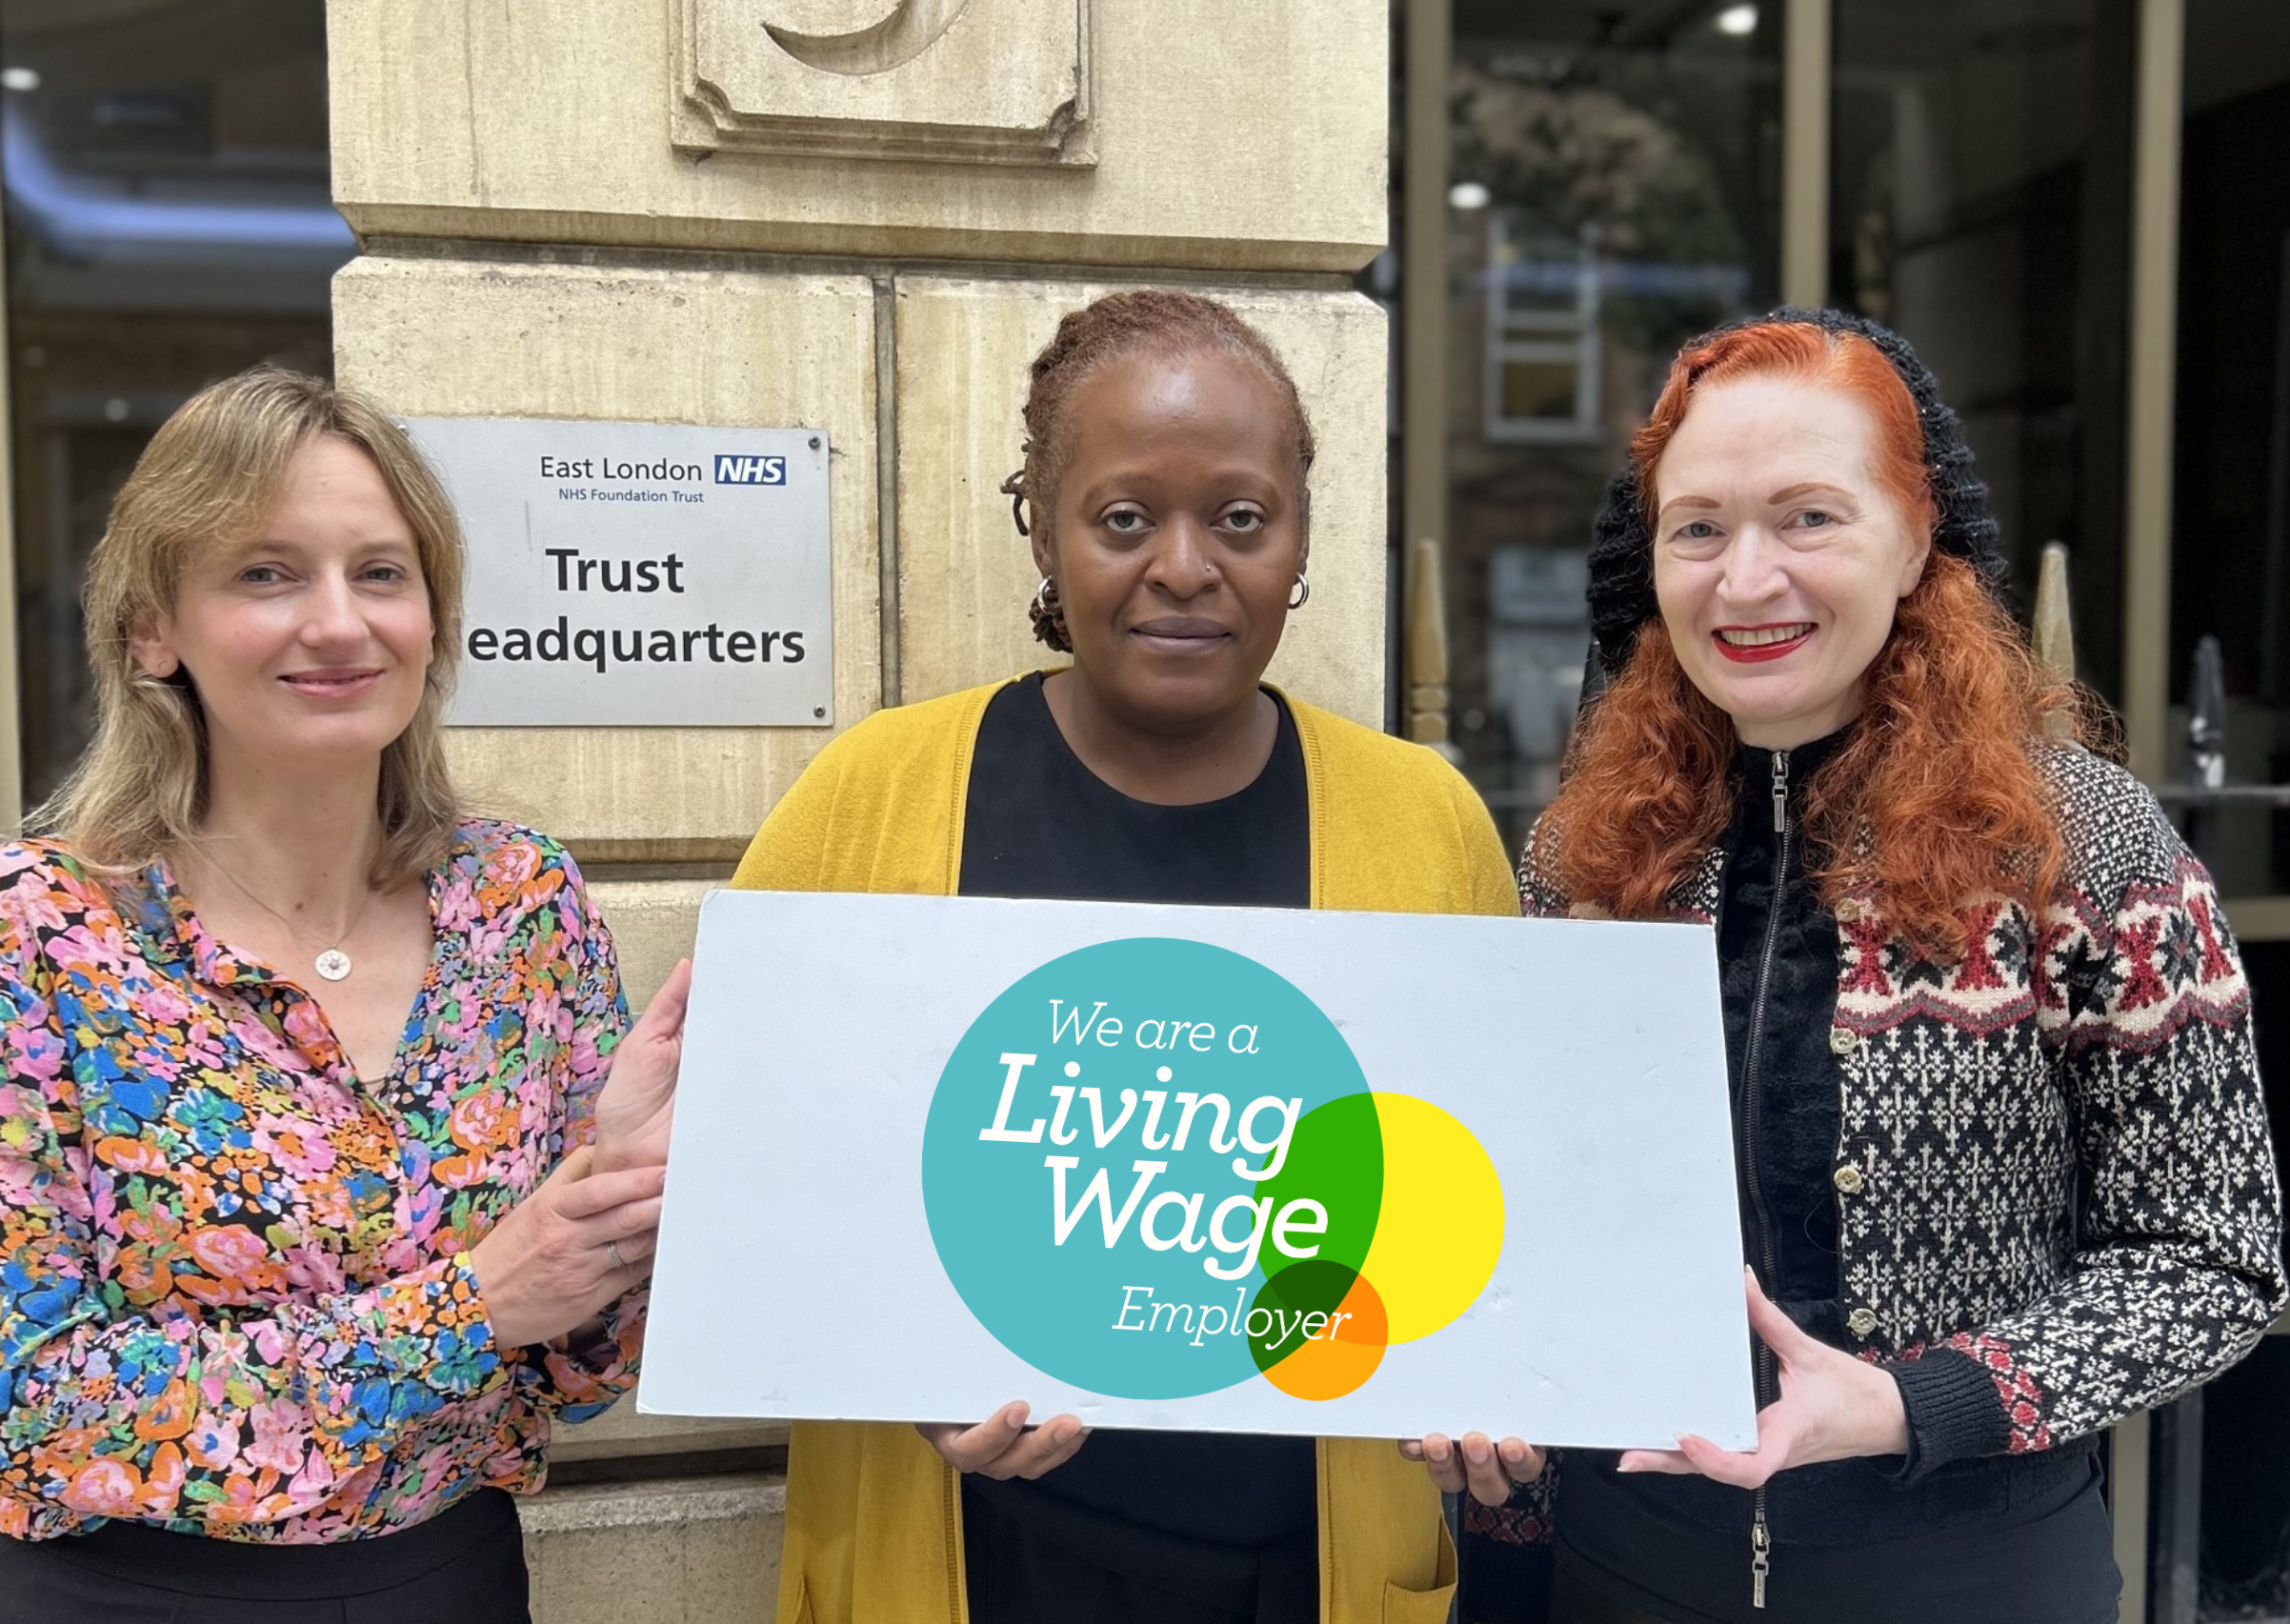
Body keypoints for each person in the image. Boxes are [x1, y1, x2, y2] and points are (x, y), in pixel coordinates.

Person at [1416, 309, 2286, 1624]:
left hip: (1966, 1572)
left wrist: (1908, 1401)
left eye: (1810, 518)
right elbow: (1534, 1224)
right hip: (1623, 1570)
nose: (1746, 577)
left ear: (1916, 536)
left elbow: (2216, 1256)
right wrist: (1491, 1411)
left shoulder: (2081, 840)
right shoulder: (1582, 855)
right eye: (1698, 527)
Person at [733, 289, 1518, 1624]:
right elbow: (743, 1174)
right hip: (970, 1555)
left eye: (1240, 517)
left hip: (1302, 1567)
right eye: (1122, 517)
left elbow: (1488, 1193)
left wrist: (1495, 1380)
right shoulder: (877, 799)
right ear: (1042, 527)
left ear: (1300, 536)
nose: (1184, 565)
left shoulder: (1422, 826)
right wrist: (893, 1364)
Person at [0, 369, 687, 1622]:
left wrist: (630, 1217)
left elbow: (576, 1376)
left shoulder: (521, 905)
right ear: (154, 629)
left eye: (381, 573)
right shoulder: (36, 939)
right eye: (266, 574)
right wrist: (471, 1307)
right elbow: (33, 1407)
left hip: (451, 1580)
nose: (338, 623)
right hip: (128, 1597)